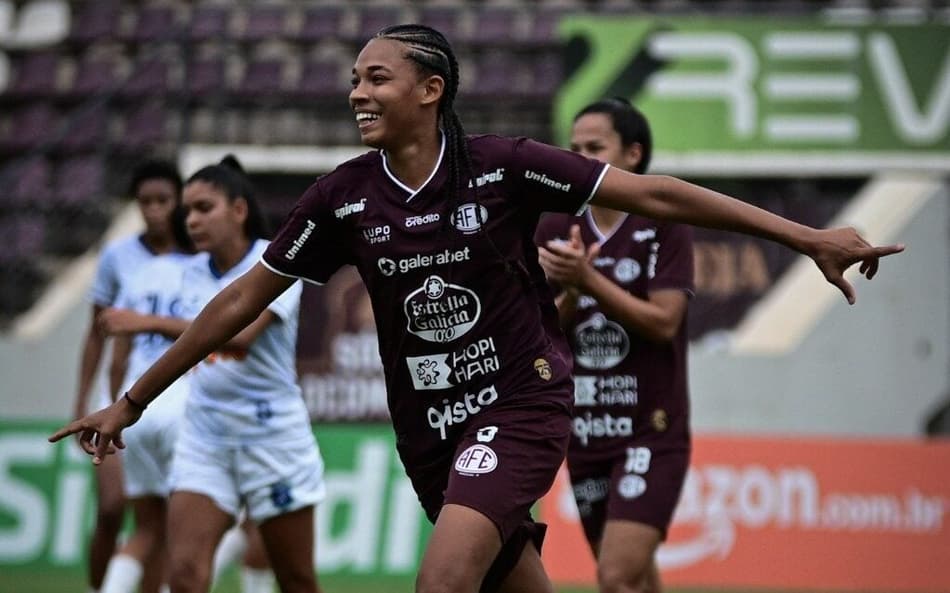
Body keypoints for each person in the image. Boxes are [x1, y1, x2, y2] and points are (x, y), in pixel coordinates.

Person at [51, 24, 903, 593]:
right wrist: (132, 400)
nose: (357, 91)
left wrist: (806, 236)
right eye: (352, 78)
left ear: (431, 89)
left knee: (442, 582)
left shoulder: (503, 165)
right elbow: (240, 297)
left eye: (376, 77)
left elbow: (653, 194)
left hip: (521, 407)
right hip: (430, 433)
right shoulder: (342, 197)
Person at [93, 156, 324, 593]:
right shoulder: (186, 273)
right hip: (206, 435)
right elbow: (131, 328)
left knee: (296, 579)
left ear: (238, 210)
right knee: (183, 576)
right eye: (188, 211)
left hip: (272, 435)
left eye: (204, 208)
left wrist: (148, 322)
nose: (192, 220)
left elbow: (241, 337)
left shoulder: (275, 264)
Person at [535, 98, 691, 593]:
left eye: (595, 148)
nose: (580, 158)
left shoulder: (663, 226)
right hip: (584, 429)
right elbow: (541, 332)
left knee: (615, 576)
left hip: (651, 430)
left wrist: (588, 280)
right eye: (574, 148)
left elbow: (665, 323)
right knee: (636, 579)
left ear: (633, 154)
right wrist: (573, 292)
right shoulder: (555, 228)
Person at [71, 159, 188, 593]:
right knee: (111, 507)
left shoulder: (198, 257)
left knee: (159, 517)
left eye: (163, 201)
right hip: (118, 395)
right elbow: (99, 333)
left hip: (170, 398)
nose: (154, 211)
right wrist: (84, 398)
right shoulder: (119, 257)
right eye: (145, 202)